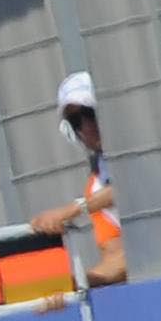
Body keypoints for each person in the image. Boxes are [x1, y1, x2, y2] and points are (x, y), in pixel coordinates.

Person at [33, 72, 131, 293]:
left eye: (89, 113)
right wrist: (68, 285)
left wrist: (72, 210)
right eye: (76, 121)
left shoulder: (149, 150)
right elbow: (117, 257)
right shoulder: (94, 185)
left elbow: (128, 184)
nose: (86, 127)